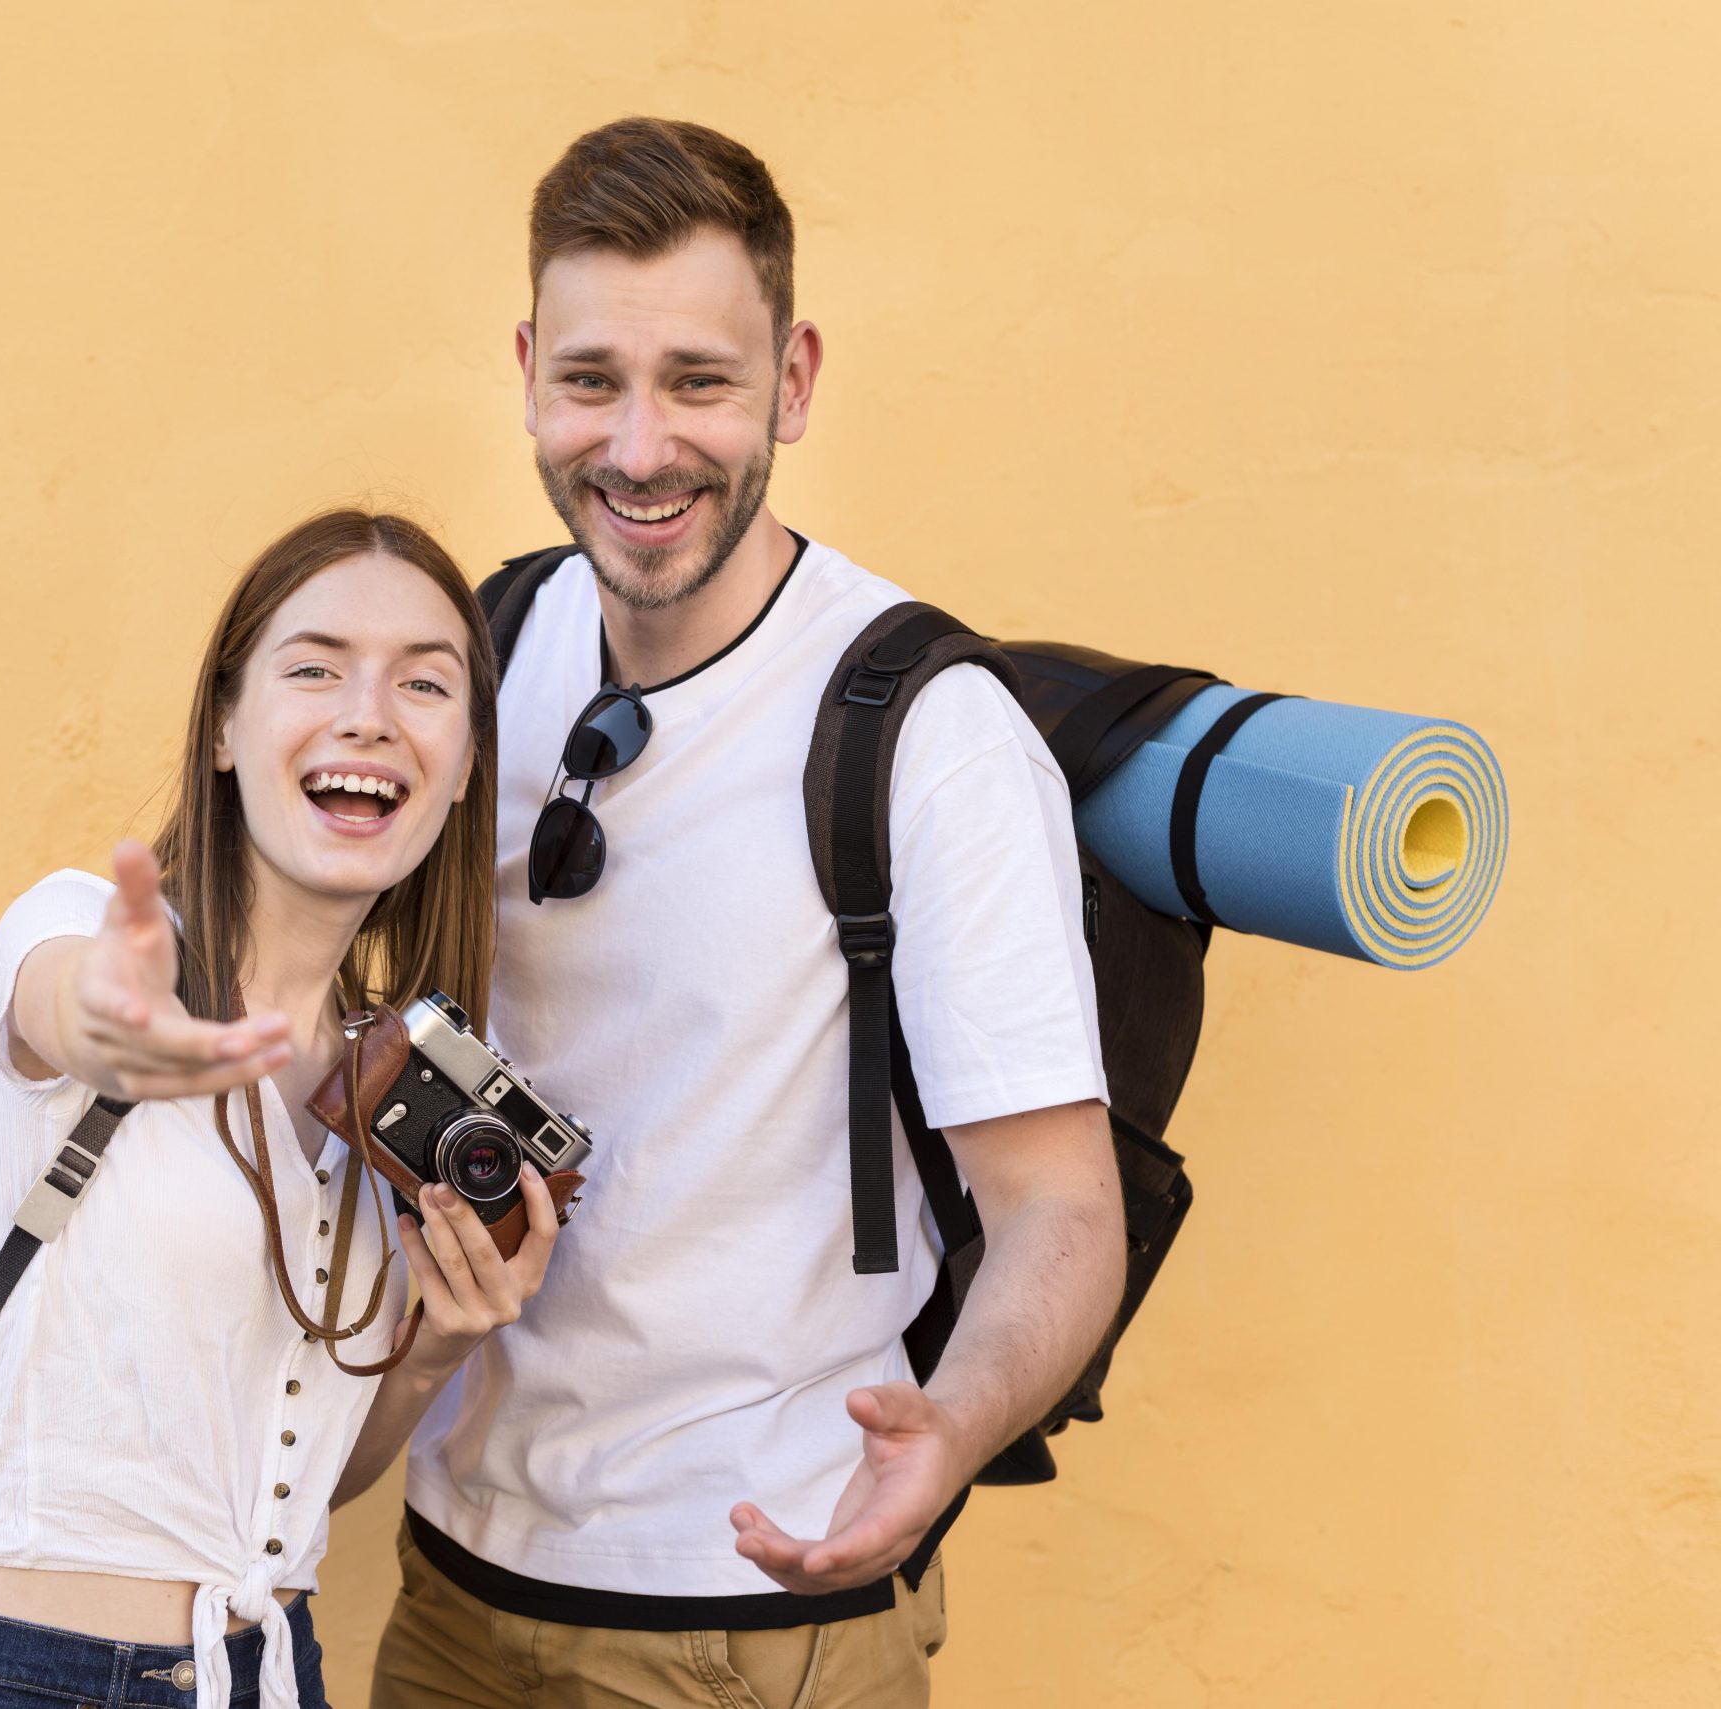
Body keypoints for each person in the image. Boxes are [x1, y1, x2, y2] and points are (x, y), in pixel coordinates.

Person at [363, 119, 1129, 1709]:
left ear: (792, 379)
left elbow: (1062, 1207)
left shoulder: (926, 734)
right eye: (593, 380)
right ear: (527, 374)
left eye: (699, 382)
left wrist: (956, 1424)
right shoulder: (477, 648)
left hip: (753, 1613)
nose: (640, 448)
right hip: (450, 1588)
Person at [0, 510, 564, 1709]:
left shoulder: (391, 1102)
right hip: (17, 1676)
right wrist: (109, 1020)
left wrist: (437, 1346)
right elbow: (60, 1002)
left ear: (461, 770)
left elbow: (295, 1492)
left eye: (423, 683)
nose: (369, 714)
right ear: (226, 730)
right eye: (315, 668)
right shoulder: (81, 927)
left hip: (270, 1670)